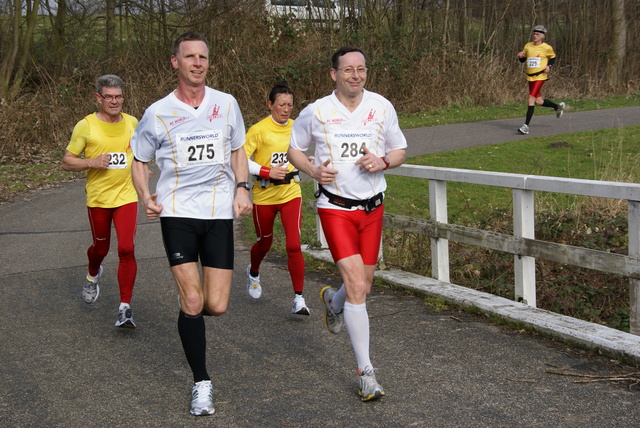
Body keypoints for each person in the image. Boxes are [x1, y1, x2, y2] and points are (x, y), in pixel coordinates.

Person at [130, 32, 252, 416]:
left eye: (203, 57)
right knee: (195, 300)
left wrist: (244, 187)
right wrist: (145, 195)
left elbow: (238, 150)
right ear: (175, 62)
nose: (197, 63)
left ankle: (190, 310)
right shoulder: (157, 112)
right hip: (178, 212)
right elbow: (139, 159)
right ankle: (202, 382)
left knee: (216, 304)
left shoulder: (226, 104)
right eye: (190, 57)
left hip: (218, 213)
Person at [287, 46, 407, 401]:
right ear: (333, 74)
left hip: (372, 209)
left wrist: (383, 161)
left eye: (361, 70)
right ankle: (366, 373)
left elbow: (400, 150)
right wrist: (311, 169)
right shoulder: (317, 111)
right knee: (356, 283)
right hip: (335, 207)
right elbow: (294, 148)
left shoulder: (382, 107)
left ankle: (334, 304)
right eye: (348, 70)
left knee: (364, 285)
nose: (355, 76)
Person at [62, 74, 139, 329]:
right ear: (99, 98)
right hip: (99, 198)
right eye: (109, 97)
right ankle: (92, 273)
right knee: (100, 249)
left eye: (118, 97)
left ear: (123, 97)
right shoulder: (86, 126)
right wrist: (92, 162)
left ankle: (124, 308)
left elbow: (141, 157)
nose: (114, 101)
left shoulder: (132, 123)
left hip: (127, 196)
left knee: (127, 249)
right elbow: (67, 161)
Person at [244, 81, 309, 315]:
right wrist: (265, 171)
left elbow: (306, 151)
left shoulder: (297, 127)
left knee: (293, 245)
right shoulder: (258, 130)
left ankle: (299, 298)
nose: (286, 109)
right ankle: (253, 272)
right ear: (270, 104)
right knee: (265, 242)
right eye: (281, 104)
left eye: (290, 105)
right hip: (264, 196)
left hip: (291, 192)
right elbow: (241, 159)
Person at [517, 24, 565, 135]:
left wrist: (549, 66)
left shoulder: (546, 47)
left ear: (542, 36)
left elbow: (553, 58)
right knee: (538, 101)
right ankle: (557, 107)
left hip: (540, 77)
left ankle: (526, 126)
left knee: (530, 99)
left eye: (537, 34)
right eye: (534, 34)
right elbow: (523, 60)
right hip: (530, 77)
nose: (535, 36)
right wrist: (521, 56)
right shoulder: (528, 46)